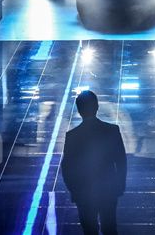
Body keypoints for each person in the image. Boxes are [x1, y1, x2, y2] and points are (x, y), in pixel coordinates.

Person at [62, 90, 127, 235]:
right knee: (110, 228)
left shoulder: (72, 136)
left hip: (83, 192)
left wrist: (74, 190)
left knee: (89, 230)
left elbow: (67, 167)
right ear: (97, 107)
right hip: (108, 189)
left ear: (79, 110)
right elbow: (121, 160)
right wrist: (120, 185)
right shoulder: (112, 130)